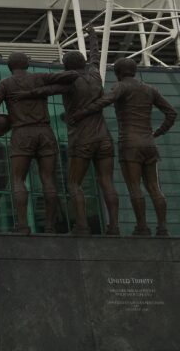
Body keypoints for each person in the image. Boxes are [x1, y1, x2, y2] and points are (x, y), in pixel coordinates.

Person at [10, 25, 120, 235]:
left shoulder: (70, 82)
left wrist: (25, 94)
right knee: (107, 181)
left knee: (74, 182)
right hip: (104, 137)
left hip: (82, 138)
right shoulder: (95, 75)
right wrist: (93, 37)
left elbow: (48, 90)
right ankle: (113, 227)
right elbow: (95, 57)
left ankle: (81, 226)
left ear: (67, 68)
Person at [70, 57, 176, 236]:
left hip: (130, 144)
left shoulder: (121, 86)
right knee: (154, 187)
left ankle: (142, 227)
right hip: (149, 144)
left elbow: (106, 101)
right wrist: (157, 133)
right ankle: (162, 227)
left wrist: (82, 112)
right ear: (134, 71)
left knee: (135, 187)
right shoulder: (150, 89)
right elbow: (171, 113)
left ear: (118, 73)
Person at [0, 53, 77, 233]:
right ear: (27, 63)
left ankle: (22, 225)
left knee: (18, 179)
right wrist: (45, 90)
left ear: (9, 67)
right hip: (45, 132)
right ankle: (50, 226)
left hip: (22, 133)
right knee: (48, 180)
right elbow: (72, 76)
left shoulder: (5, 84)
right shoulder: (39, 77)